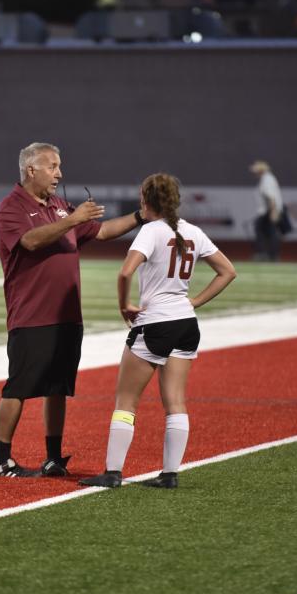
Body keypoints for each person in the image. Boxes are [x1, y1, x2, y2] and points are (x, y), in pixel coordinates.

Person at [0, 142, 145, 478]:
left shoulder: (60, 206)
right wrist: (72, 219)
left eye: (59, 166)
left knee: (58, 387)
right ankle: (0, 458)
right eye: (52, 166)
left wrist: (140, 216)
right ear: (31, 170)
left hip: (67, 314)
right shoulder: (10, 207)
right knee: (18, 386)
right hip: (32, 313)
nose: (59, 173)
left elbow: (101, 230)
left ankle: (53, 457)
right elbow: (30, 241)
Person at [80, 173, 236, 489]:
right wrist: (193, 302)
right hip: (186, 324)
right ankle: (170, 475)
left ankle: (112, 473)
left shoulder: (150, 231)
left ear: (146, 200)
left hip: (155, 323)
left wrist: (124, 306)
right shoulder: (193, 231)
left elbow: (125, 272)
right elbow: (228, 271)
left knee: (126, 400)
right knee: (175, 401)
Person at [250, 160, 284, 261]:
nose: (254, 173)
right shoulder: (267, 178)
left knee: (267, 232)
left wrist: (273, 212)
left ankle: (265, 254)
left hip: (269, 210)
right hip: (269, 210)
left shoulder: (267, 179)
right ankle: (269, 255)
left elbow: (271, 197)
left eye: (255, 170)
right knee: (268, 232)